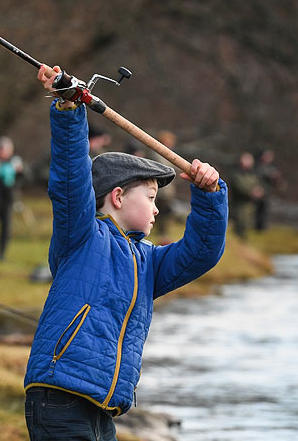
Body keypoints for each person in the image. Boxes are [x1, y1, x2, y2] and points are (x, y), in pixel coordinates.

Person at [24, 65, 228, 440]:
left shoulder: (149, 262)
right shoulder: (81, 235)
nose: (156, 209)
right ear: (117, 197)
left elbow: (202, 252)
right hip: (60, 397)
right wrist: (70, 110)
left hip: (105, 407)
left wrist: (210, 195)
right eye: (150, 198)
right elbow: (70, 178)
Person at [146, 130, 180, 242]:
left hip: (167, 190)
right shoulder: (157, 153)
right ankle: (160, 232)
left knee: (165, 212)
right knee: (161, 211)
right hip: (161, 189)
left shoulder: (167, 153)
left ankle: (163, 232)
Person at [230, 151, 264, 239]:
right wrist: (251, 193)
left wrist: (259, 191)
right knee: (239, 226)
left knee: (247, 227)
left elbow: (258, 184)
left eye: (249, 160)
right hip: (238, 204)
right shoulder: (236, 173)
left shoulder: (253, 174)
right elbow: (238, 186)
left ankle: (244, 245)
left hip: (250, 205)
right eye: (246, 160)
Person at [253, 148, 285, 231]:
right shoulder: (257, 166)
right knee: (255, 211)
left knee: (264, 211)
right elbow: (254, 178)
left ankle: (262, 229)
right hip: (256, 192)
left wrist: (276, 179)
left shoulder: (272, 168)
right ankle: (254, 228)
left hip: (266, 194)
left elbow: (278, 182)